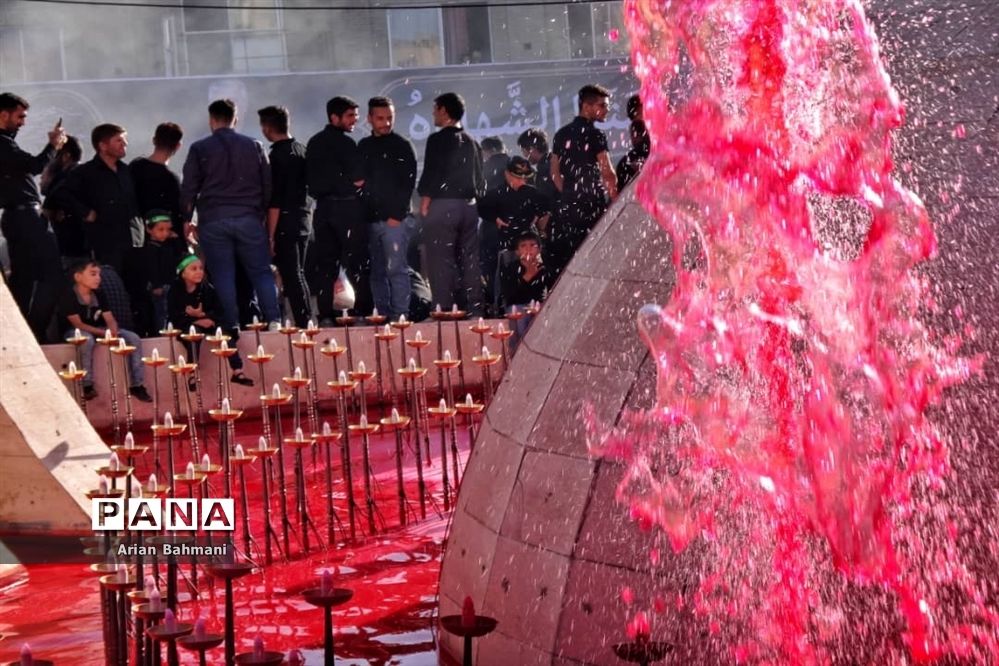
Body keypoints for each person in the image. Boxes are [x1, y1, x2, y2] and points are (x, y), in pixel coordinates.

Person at [180, 98, 281, 336]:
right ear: (235, 119)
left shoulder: (199, 148)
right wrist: (261, 214)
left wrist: (186, 218)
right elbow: (268, 186)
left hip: (213, 220)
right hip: (248, 217)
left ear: (211, 120)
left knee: (223, 273)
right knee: (261, 272)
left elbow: (189, 188)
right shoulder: (254, 145)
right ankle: (274, 319)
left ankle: (231, 323)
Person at [0, 92, 66, 341]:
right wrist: (54, 146)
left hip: (20, 218)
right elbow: (35, 165)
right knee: (50, 275)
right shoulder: (3, 144)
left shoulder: (6, 142)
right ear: (3, 114)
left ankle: (24, 332)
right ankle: (31, 331)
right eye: (20, 117)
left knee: (24, 278)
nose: (23, 122)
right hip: (25, 218)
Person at [416, 92, 484, 315]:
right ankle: (475, 307)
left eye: (436, 109)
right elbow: (480, 178)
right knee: (470, 259)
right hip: (470, 207)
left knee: (440, 258)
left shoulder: (438, 140)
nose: (433, 114)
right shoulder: (473, 141)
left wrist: (425, 201)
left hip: (444, 206)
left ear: (444, 110)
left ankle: (445, 308)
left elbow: (433, 173)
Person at [306, 96, 370, 324]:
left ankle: (325, 315)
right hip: (347, 208)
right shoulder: (346, 143)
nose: (355, 120)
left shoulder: (313, 143)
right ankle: (363, 311)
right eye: (350, 116)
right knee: (357, 261)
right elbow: (360, 179)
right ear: (335, 117)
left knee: (326, 265)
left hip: (322, 210)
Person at [357, 96, 418, 320]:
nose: (386, 123)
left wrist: (396, 215)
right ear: (369, 119)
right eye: (380, 118)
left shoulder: (402, 145)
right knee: (377, 272)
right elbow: (359, 181)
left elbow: (408, 183)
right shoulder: (363, 146)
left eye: (390, 118)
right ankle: (382, 314)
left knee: (397, 269)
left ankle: (400, 315)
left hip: (395, 221)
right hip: (371, 220)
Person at [548, 84, 617, 279]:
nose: (606, 110)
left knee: (573, 256)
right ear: (586, 106)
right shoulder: (595, 134)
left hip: (569, 205)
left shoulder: (561, 134)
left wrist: (569, 193)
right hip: (592, 203)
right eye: (602, 105)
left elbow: (554, 172)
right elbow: (607, 171)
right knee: (595, 253)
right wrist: (614, 197)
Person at [58, 259, 152, 402]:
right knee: (86, 340)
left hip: (100, 329)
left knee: (133, 338)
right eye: (93, 274)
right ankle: (87, 384)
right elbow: (78, 324)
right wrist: (103, 333)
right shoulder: (68, 295)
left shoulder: (99, 293)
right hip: (77, 331)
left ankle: (137, 385)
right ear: (78, 277)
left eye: (99, 274)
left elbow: (109, 317)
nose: (98, 278)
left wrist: (113, 331)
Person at [54, 123, 140, 274]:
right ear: (103, 146)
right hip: (105, 244)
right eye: (119, 140)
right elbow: (62, 194)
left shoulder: (127, 171)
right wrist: (85, 212)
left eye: (124, 140)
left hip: (133, 242)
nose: (125, 144)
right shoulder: (85, 173)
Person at [258, 105, 313, 328]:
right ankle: (306, 319)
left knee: (292, 276)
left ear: (268, 128)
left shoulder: (277, 157)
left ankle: (303, 322)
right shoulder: (302, 149)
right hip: (304, 220)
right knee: (299, 273)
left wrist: (270, 235)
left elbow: (275, 202)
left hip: (285, 224)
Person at [168, 254, 253, 388]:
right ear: (183, 274)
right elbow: (174, 315)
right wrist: (194, 320)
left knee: (224, 333)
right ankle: (192, 373)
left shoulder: (207, 289)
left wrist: (205, 315)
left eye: (200, 268)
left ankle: (237, 370)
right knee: (193, 334)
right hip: (187, 324)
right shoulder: (175, 291)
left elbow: (219, 311)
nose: (199, 272)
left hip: (210, 322)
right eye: (193, 269)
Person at [131, 210, 185, 334]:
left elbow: (179, 256)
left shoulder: (168, 246)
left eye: (168, 230)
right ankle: (163, 334)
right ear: (149, 230)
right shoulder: (150, 249)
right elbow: (152, 268)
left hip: (172, 285)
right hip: (161, 288)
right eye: (161, 230)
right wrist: (156, 285)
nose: (165, 233)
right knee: (162, 313)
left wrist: (176, 239)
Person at [130, 122, 184, 238]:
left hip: (133, 232)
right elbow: (176, 213)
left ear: (154, 140)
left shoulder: (135, 166)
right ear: (178, 145)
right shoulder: (171, 179)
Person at [498, 231, 548, 352]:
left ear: (539, 249)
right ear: (517, 251)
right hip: (517, 305)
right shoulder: (510, 268)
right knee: (520, 319)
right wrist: (527, 277)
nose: (528, 249)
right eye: (523, 246)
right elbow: (510, 296)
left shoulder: (544, 268)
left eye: (532, 245)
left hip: (538, 305)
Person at [40, 135, 86, 266]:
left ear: (66, 156)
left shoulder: (66, 179)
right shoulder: (79, 175)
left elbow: (48, 208)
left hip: (73, 251)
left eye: (55, 156)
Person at [517, 127, 557, 224]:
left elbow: (548, 200)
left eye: (524, 151)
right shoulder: (554, 161)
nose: (524, 155)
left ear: (531, 149)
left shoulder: (545, 170)